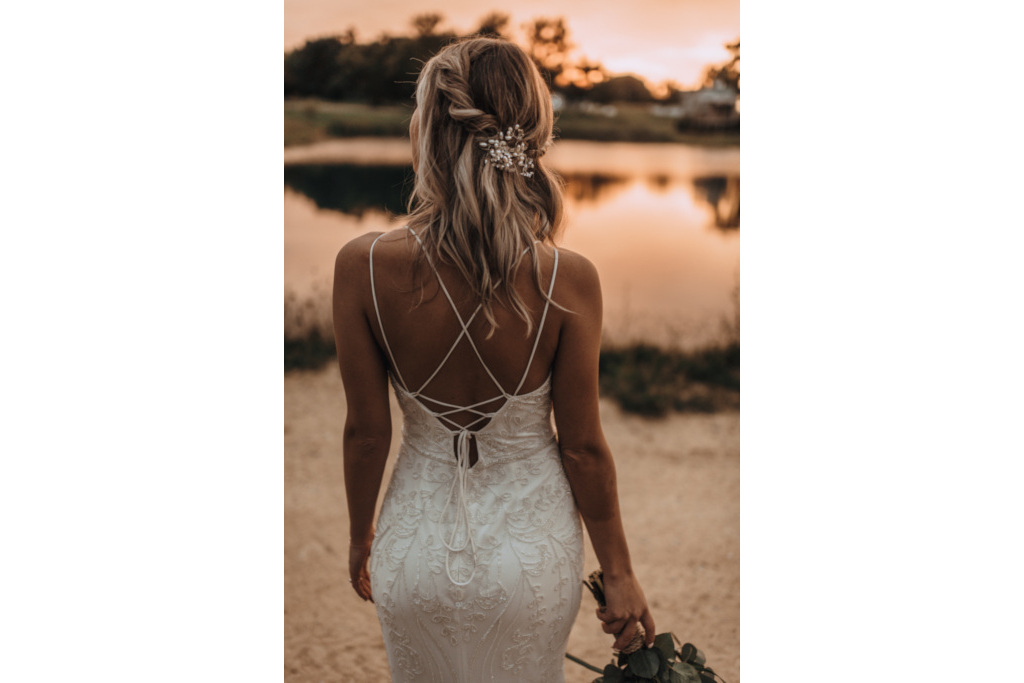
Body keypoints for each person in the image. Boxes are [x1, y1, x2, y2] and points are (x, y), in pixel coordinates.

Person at [332, 36, 655, 682]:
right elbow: (583, 448)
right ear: (531, 135)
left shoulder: (362, 266)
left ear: (430, 132)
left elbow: (367, 433)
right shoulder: (568, 279)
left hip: (413, 553)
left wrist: (362, 537)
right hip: (528, 558)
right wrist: (617, 572)